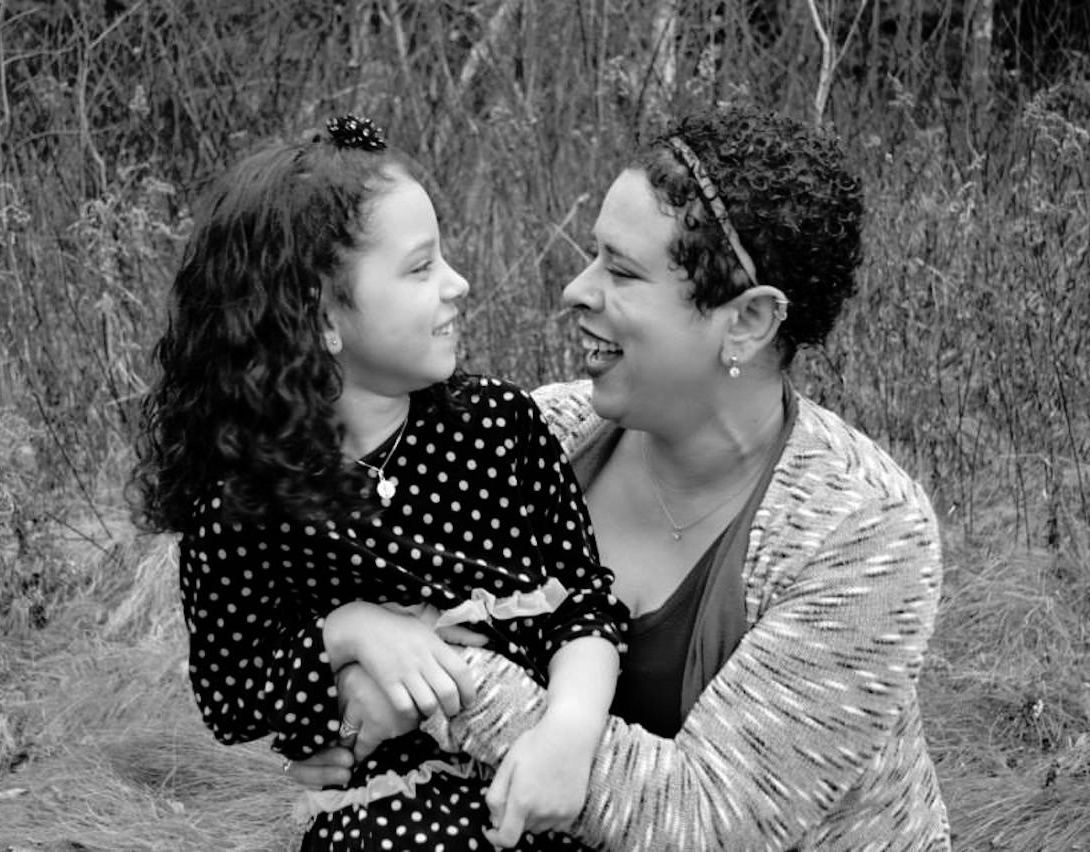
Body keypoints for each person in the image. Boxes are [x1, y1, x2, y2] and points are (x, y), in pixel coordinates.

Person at [289, 106, 951, 851]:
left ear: (749, 322)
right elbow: (338, 615)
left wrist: (435, 686)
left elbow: (707, 818)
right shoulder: (536, 436)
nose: (575, 289)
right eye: (593, 255)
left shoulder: (859, 530)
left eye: (623, 270)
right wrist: (347, 652)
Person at [132, 114, 629, 851]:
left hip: (540, 786)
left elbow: (584, 602)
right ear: (320, 313)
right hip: (381, 820)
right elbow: (231, 699)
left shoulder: (495, 429)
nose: (457, 284)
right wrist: (345, 631)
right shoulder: (244, 506)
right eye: (420, 267)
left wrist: (569, 731)